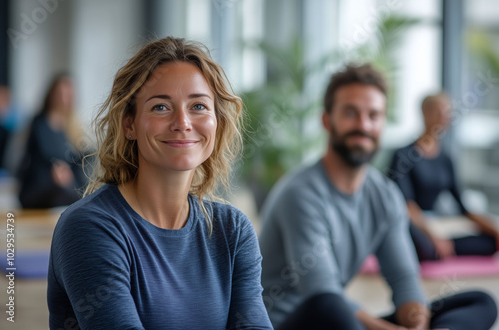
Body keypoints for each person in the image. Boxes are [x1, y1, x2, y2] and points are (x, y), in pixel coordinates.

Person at [47, 37, 272, 329]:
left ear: (217, 120)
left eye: (199, 106)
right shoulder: (88, 227)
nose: (183, 122)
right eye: (161, 107)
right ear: (130, 124)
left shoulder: (233, 230)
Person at [258, 64, 497, 330]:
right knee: (331, 305)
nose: (363, 125)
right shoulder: (300, 193)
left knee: (480, 302)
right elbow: (321, 290)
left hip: (345, 320)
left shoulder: (384, 194)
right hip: (294, 323)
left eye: (374, 115)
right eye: (351, 113)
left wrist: (416, 322)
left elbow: (405, 280)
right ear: (327, 120)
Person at [389, 92, 499, 261]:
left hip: (438, 223)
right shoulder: (403, 155)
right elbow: (406, 206)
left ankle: (445, 248)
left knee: (490, 243)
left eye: (448, 113)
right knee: (425, 247)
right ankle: (438, 247)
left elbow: (462, 207)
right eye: (439, 112)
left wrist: (493, 229)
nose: (444, 118)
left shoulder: (446, 158)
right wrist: (433, 235)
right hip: (414, 224)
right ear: (425, 113)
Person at [17, 74, 87, 208]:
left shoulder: (74, 127)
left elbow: (78, 163)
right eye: (60, 93)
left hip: (66, 188)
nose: (63, 98)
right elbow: (34, 160)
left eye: (67, 94)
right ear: (51, 94)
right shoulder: (39, 124)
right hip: (40, 186)